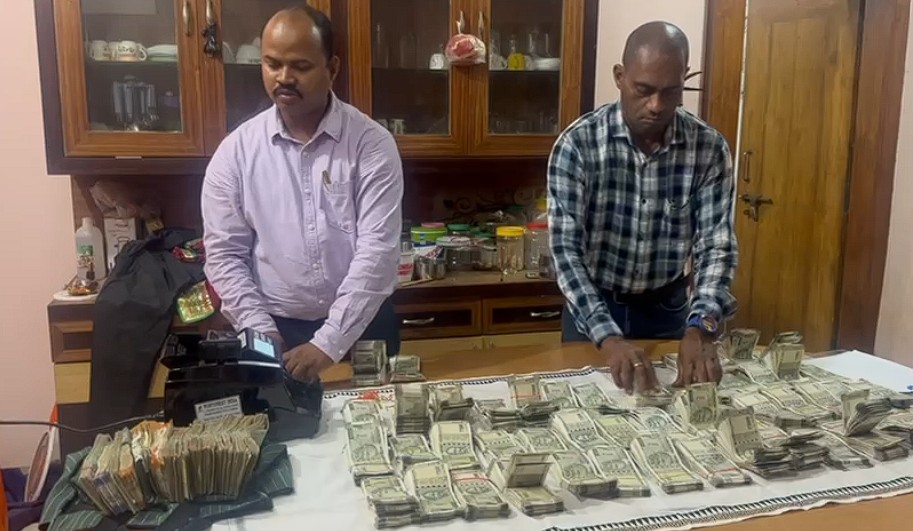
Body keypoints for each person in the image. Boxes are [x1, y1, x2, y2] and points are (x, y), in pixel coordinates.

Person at [202, 6, 404, 383]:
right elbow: (224, 254)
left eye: (300, 66)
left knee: (373, 418)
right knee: (279, 422)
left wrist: (328, 343)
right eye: (272, 64)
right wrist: (259, 330)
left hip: (362, 325)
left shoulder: (370, 144)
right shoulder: (236, 152)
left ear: (332, 68)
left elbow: (377, 252)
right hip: (274, 327)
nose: (284, 78)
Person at [547, 21, 737, 394]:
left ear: (684, 80)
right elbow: (565, 253)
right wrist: (608, 338)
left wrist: (701, 326)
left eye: (671, 92)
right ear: (620, 77)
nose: (656, 106)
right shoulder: (577, 145)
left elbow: (716, 245)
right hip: (593, 308)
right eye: (644, 90)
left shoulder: (708, 148)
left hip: (668, 309)